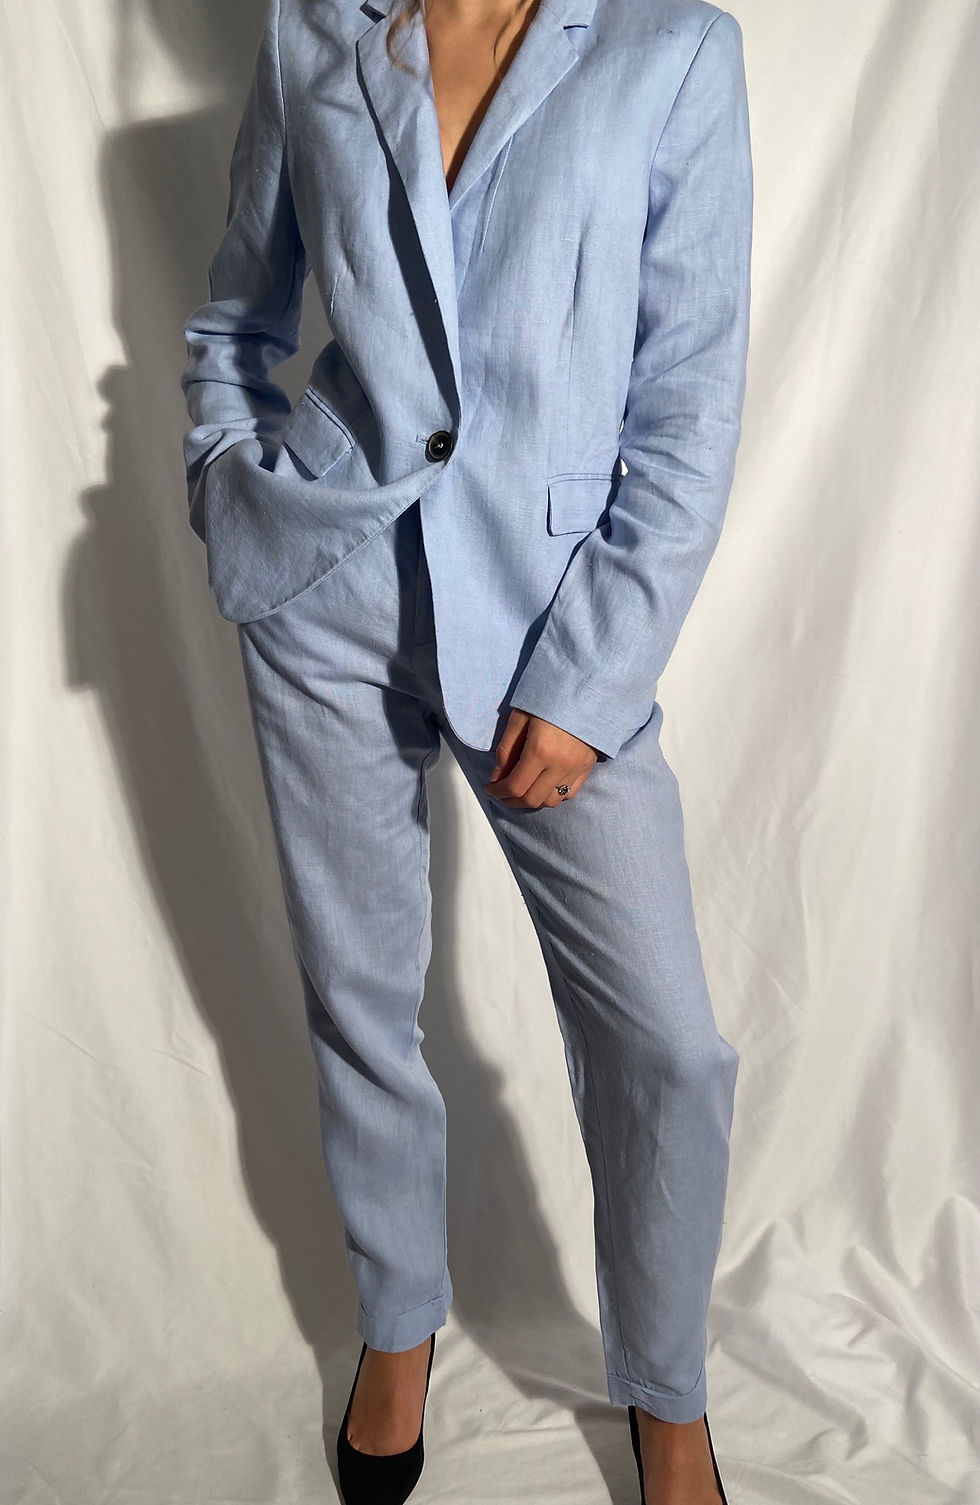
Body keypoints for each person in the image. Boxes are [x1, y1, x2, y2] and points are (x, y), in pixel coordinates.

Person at [179, 0, 753, 1498]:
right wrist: (230, 479)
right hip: (327, 591)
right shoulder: (315, 34)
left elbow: (689, 403)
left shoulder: (672, 51)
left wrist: (592, 678)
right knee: (361, 1001)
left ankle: (668, 1390)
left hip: (547, 626)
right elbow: (238, 316)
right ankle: (395, 1327)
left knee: (667, 1047)